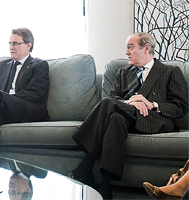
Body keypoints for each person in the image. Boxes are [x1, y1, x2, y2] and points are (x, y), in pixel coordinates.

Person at [67, 32, 188, 199]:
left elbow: (181, 107)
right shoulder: (123, 72)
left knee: (108, 104)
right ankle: (105, 187)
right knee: (115, 118)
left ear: (146, 48)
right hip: (128, 116)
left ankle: (85, 165)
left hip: (155, 120)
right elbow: (115, 97)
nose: (126, 53)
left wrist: (150, 104)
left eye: (130, 47)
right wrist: (131, 102)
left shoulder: (170, 71)